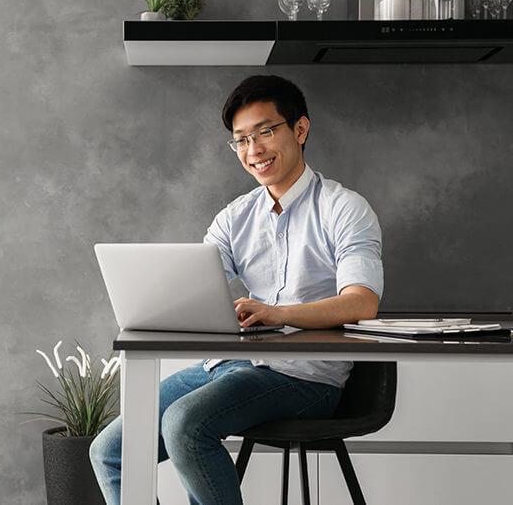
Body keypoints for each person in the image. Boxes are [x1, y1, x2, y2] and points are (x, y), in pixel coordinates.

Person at [89, 75, 384, 505]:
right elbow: (191, 286)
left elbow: (363, 303)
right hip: (229, 366)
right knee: (110, 451)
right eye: (241, 140)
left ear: (300, 130)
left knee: (185, 425)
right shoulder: (235, 216)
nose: (254, 150)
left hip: (307, 377)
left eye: (265, 132)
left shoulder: (344, 208)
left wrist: (280, 314)